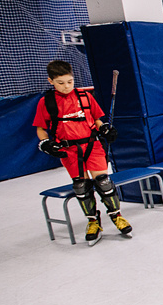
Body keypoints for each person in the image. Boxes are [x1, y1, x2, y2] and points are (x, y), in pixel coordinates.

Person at [34, 60, 131, 245]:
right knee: (81, 186)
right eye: (61, 83)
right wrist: (45, 143)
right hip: (68, 150)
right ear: (50, 81)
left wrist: (105, 129)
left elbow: (97, 119)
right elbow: (41, 128)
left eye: (70, 81)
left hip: (92, 145)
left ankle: (117, 216)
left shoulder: (84, 97)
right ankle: (93, 221)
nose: (66, 86)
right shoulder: (46, 102)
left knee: (103, 181)